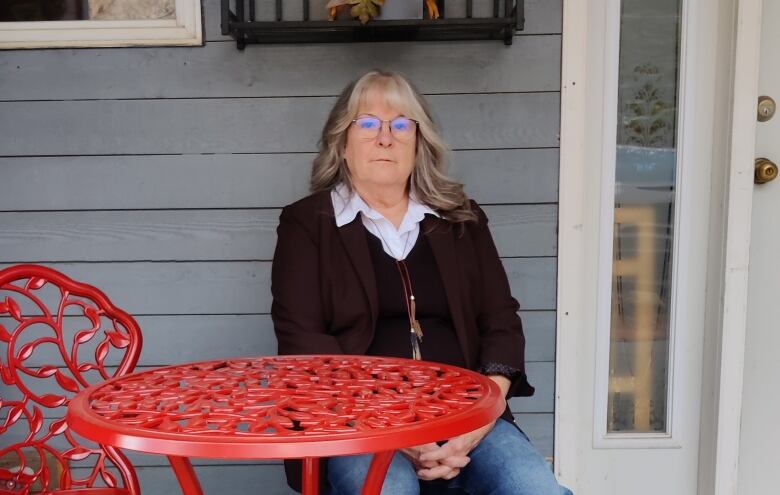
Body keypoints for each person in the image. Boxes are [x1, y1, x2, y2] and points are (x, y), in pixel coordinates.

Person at [271, 69, 571, 495]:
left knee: (535, 490)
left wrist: (482, 418)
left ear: (419, 141)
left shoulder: (460, 219)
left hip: (467, 417)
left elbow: (501, 321)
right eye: (368, 123)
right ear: (341, 142)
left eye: (401, 124)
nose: (385, 137)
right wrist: (401, 433)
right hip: (358, 424)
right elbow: (303, 343)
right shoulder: (307, 224)